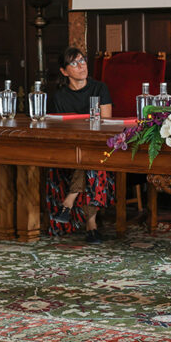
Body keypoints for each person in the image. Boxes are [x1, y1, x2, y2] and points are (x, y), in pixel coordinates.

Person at [47, 48, 116, 244]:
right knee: (85, 162)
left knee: (90, 162)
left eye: (83, 61)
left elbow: (106, 122)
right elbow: (59, 129)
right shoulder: (60, 96)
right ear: (64, 71)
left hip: (96, 146)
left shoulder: (99, 88)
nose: (82, 66)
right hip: (69, 148)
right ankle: (91, 227)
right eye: (75, 63)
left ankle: (69, 202)